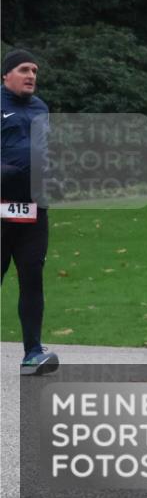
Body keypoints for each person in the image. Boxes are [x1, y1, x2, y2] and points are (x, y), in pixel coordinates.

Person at [1, 48, 59, 376]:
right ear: (5, 75)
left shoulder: (40, 108)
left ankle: (33, 353)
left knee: (32, 280)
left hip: (34, 210)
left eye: (35, 70)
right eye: (24, 69)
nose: (31, 75)